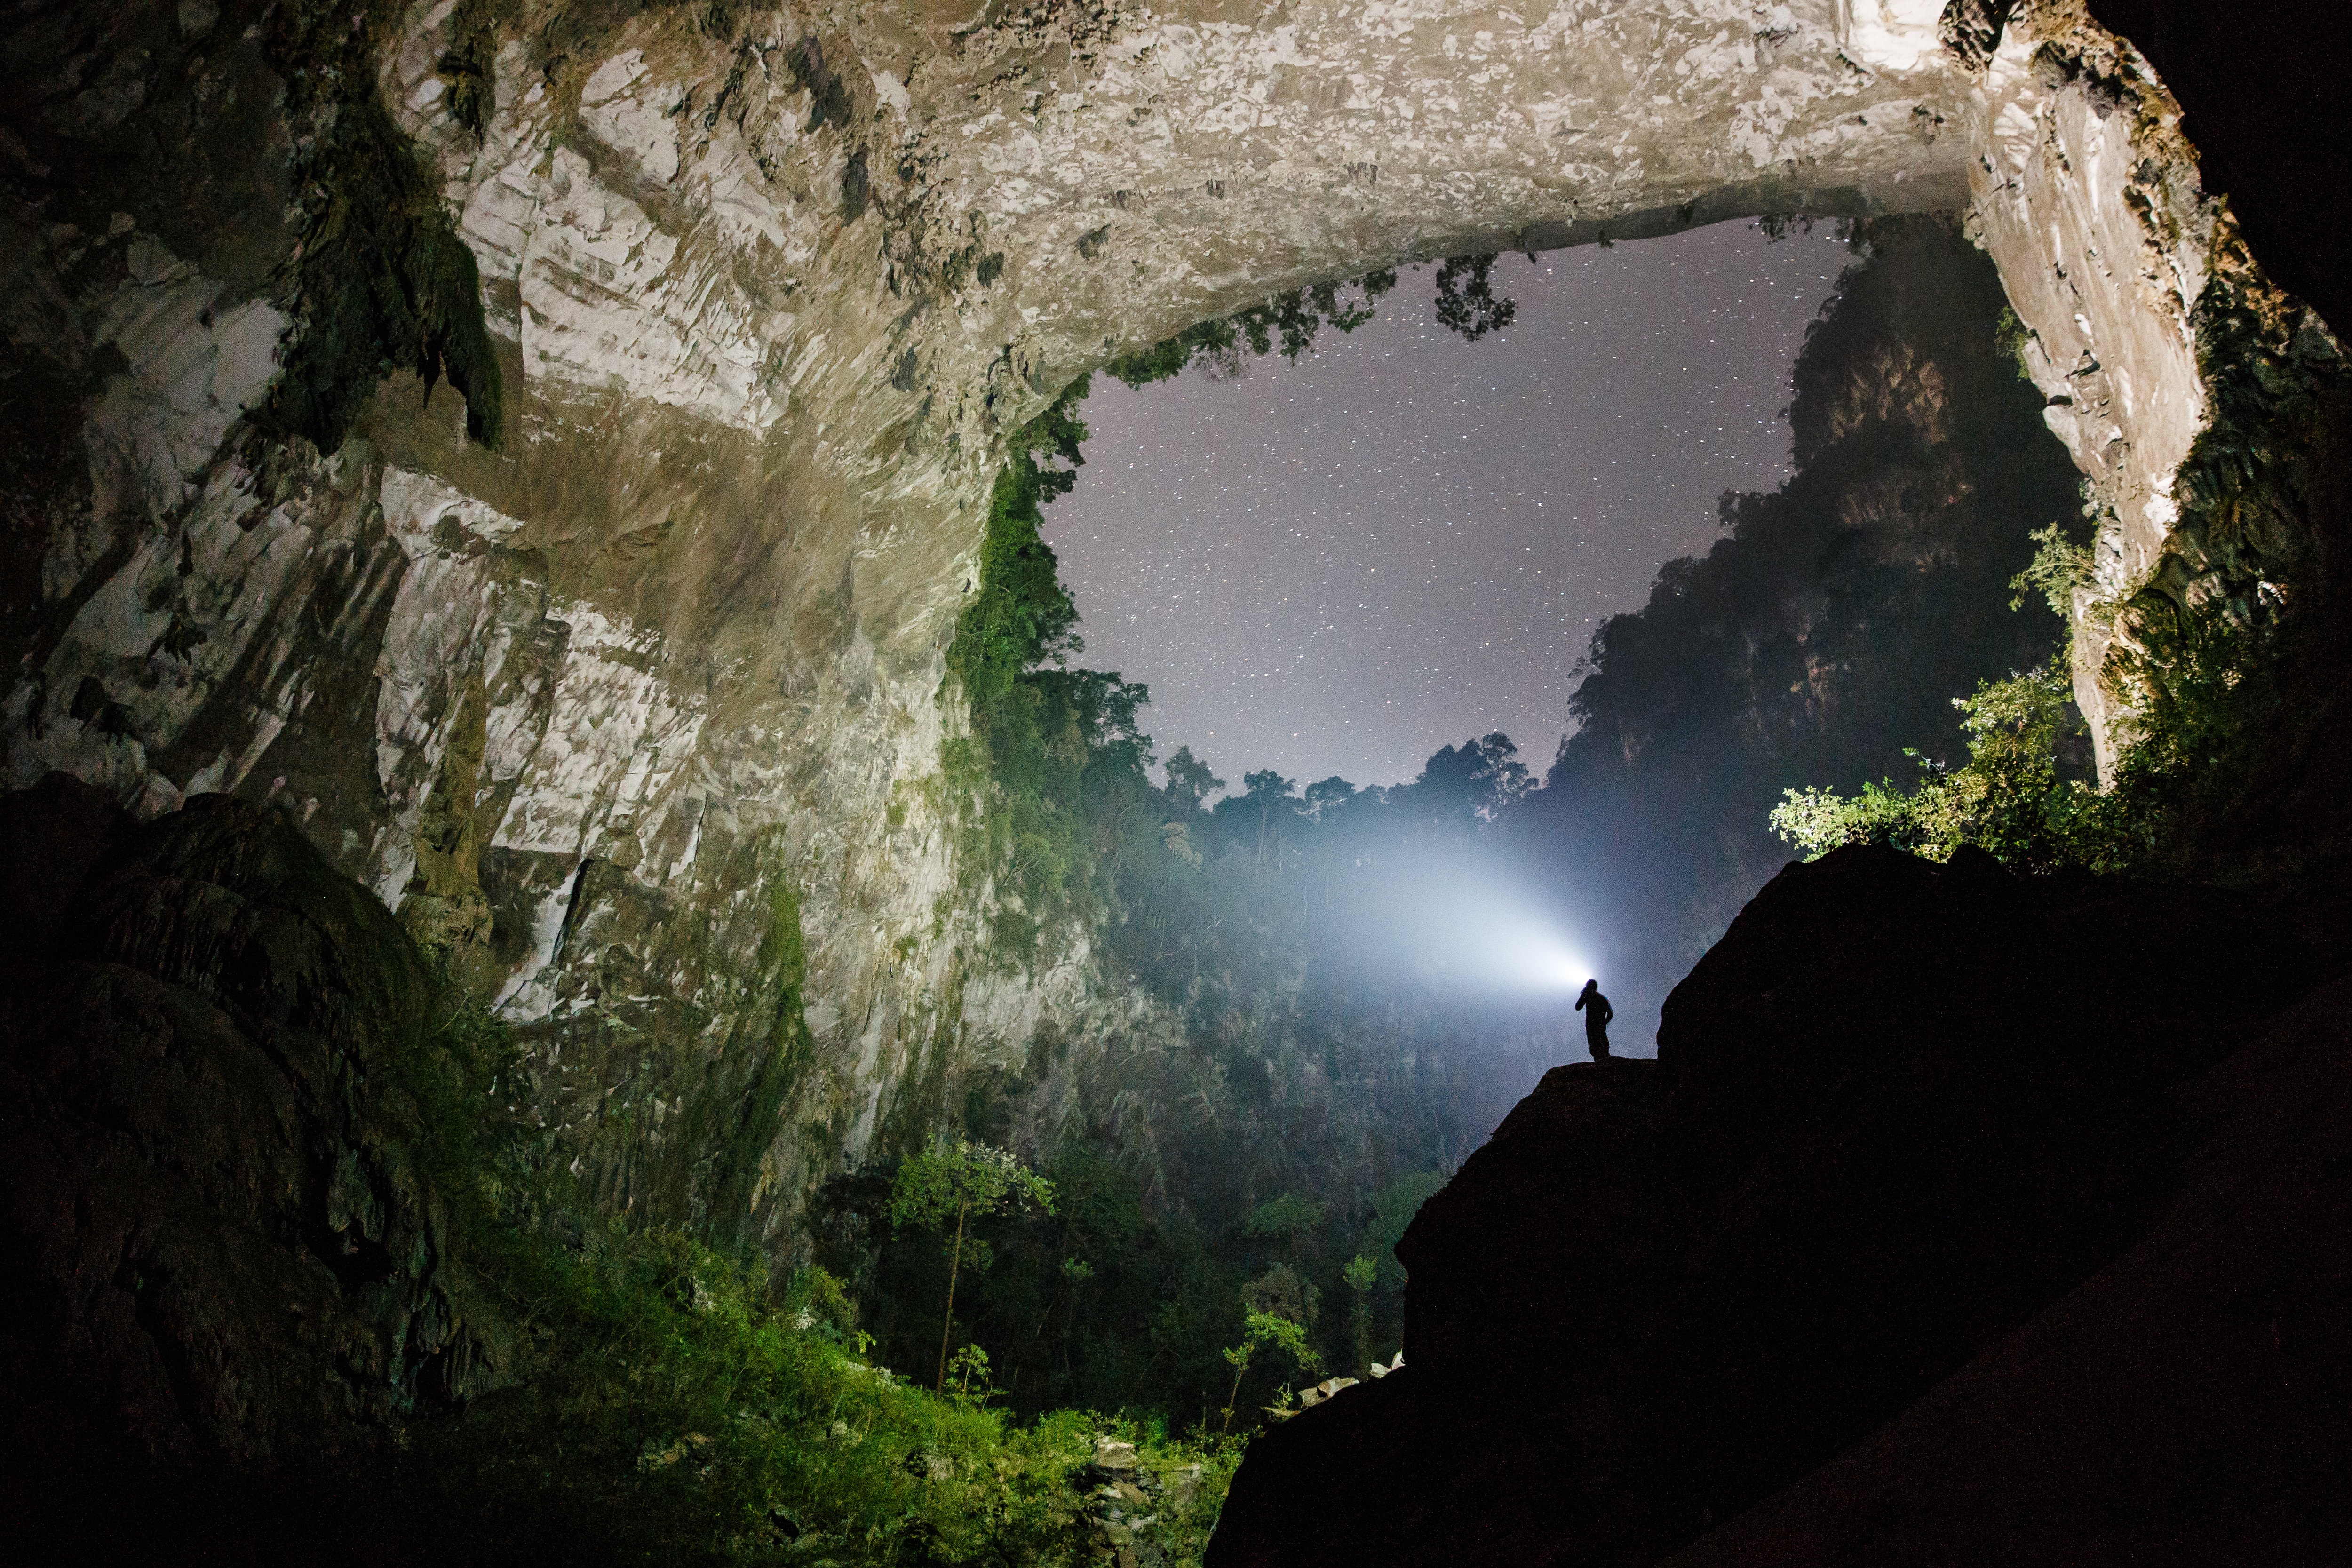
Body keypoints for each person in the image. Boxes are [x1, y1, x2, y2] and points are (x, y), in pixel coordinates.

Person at [1574, 979, 1613, 1061]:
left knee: (1595, 1045)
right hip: (1601, 1026)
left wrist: (1584, 994)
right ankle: (1606, 1060)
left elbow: (1578, 1007)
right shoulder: (1603, 998)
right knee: (1602, 1042)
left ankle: (1600, 1063)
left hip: (1591, 1025)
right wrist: (1605, 1023)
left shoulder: (1588, 995)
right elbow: (1610, 1013)